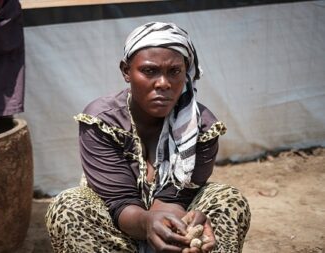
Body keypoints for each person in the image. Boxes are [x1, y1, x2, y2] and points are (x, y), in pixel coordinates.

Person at [45, 22, 251, 253]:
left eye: (174, 72)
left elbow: (174, 199)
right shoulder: (102, 121)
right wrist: (148, 224)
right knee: (69, 205)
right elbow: (120, 203)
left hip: (173, 219)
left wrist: (182, 229)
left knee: (228, 200)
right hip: (117, 229)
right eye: (149, 71)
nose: (163, 83)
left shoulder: (201, 128)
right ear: (126, 71)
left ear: (186, 72)